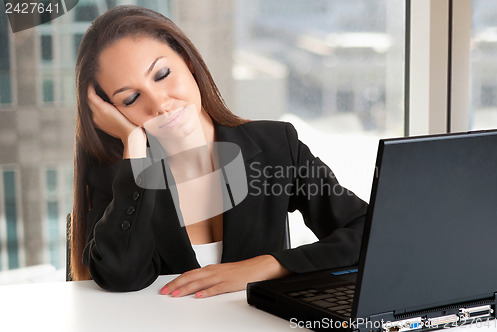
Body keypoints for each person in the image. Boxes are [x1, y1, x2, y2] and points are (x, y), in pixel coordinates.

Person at [71, 5, 367, 298]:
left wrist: (268, 266)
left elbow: (368, 230)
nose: (159, 104)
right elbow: (121, 276)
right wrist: (133, 142)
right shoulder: (120, 177)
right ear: (111, 111)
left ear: (187, 60)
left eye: (161, 74)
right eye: (131, 98)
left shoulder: (276, 145)